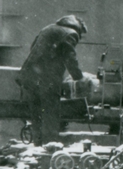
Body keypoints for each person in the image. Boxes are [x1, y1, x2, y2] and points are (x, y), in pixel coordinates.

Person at [17, 15, 87, 145]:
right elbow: (70, 57)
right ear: (79, 28)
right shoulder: (71, 33)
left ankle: (38, 145)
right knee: (50, 115)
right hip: (47, 80)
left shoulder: (48, 28)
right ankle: (50, 147)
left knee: (37, 115)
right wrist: (79, 78)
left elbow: (33, 48)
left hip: (30, 77)